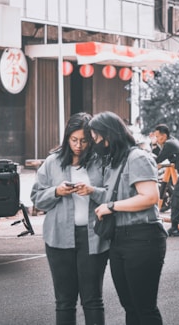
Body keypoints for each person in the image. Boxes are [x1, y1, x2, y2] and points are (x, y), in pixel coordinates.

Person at [31, 112, 109, 325]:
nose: (78, 145)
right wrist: (56, 191)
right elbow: (37, 199)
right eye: (74, 140)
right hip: (58, 238)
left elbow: (113, 195)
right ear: (67, 138)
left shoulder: (100, 162)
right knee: (64, 301)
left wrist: (93, 190)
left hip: (93, 238)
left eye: (84, 140)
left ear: (91, 140)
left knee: (92, 299)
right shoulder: (52, 162)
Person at [91, 111, 167, 325]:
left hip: (142, 238)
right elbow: (112, 195)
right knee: (130, 307)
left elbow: (150, 197)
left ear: (109, 136)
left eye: (96, 138)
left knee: (144, 307)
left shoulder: (137, 157)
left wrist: (112, 207)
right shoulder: (115, 162)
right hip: (119, 239)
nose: (95, 143)